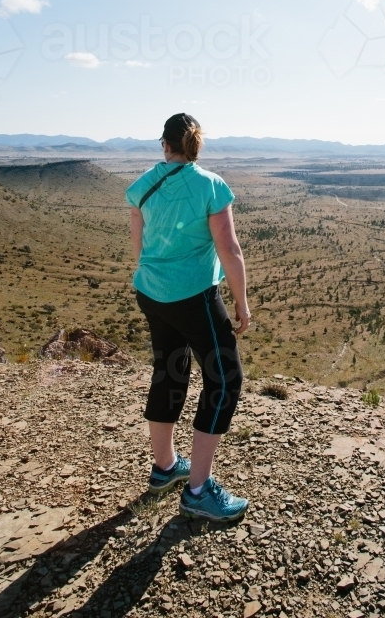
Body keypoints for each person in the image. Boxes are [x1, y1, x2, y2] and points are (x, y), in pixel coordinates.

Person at [126, 113, 251, 522]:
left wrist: (153, 282)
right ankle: (198, 490)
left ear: (164, 144)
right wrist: (241, 303)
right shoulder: (210, 186)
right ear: (197, 145)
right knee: (225, 378)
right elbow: (229, 250)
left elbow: (137, 246)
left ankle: (165, 467)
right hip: (194, 295)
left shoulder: (142, 186)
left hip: (152, 292)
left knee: (170, 369)